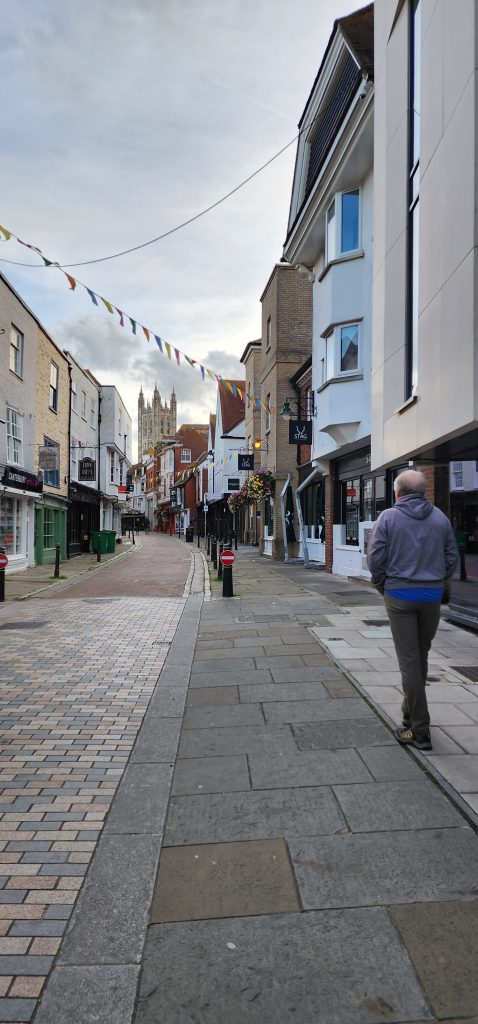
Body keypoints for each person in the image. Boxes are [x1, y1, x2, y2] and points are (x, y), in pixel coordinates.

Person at [367, 470, 458, 751]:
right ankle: (409, 716)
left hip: (400, 594)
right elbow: (452, 558)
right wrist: (436, 580)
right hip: (431, 595)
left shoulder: (388, 518)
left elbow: (375, 559)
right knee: (420, 655)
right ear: (423, 492)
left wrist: (383, 586)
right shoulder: (440, 518)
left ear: (397, 493)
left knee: (409, 661)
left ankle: (419, 731)